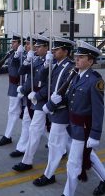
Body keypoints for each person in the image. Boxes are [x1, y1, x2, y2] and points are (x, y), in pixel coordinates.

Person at [54, 40, 105, 196]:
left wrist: (95, 134)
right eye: (77, 56)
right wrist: (58, 100)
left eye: (81, 57)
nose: (77, 59)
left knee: (73, 163)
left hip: (84, 129)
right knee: (88, 155)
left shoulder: (95, 81)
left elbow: (98, 110)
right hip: (73, 126)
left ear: (91, 61)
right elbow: (72, 100)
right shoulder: (76, 75)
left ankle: (68, 193)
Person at [33, 37, 75, 187]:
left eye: (57, 49)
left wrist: (51, 105)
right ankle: (104, 176)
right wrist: (45, 64)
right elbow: (40, 79)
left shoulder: (70, 67)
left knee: (54, 144)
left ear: (65, 51)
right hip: (55, 110)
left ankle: (48, 175)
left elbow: (68, 93)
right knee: (73, 145)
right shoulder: (56, 64)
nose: (54, 51)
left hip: (61, 111)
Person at [12, 35, 49, 172]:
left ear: (47, 48)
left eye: (39, 46)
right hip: (33, 97)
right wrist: (27, 60)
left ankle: (27, 161)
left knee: (36, 128)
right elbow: (22, 72)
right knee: (31, 123)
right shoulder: (37, 59)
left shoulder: (49, 61)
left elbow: (46, 82)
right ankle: (23, 151)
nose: (35, 48)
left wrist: (36, 95)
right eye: (36, 46)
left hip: (42, 99)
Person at [0, 33, 24, 146]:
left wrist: (17, 55)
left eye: (14, 42)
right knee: (21, 114)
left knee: (15, 112)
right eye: (12, 42)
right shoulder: (13, 53)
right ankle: (7, 135)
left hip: (19, 87)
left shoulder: (21, 55)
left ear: (20, 43)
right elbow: (11, 67)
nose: (12, 44)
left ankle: (7, 136)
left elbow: (19, 68)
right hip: (13, 87)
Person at [10, 34, 37, 158]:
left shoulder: (43, 60)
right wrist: (19, 56)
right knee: (27, 121)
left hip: (38, 98)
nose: (25, 46)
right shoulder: (27, 56)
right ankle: (22, 148)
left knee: (48, 128)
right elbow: (18, 69)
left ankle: (64, 148)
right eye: (25, 44)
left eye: (28, 44)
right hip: (29, 96)